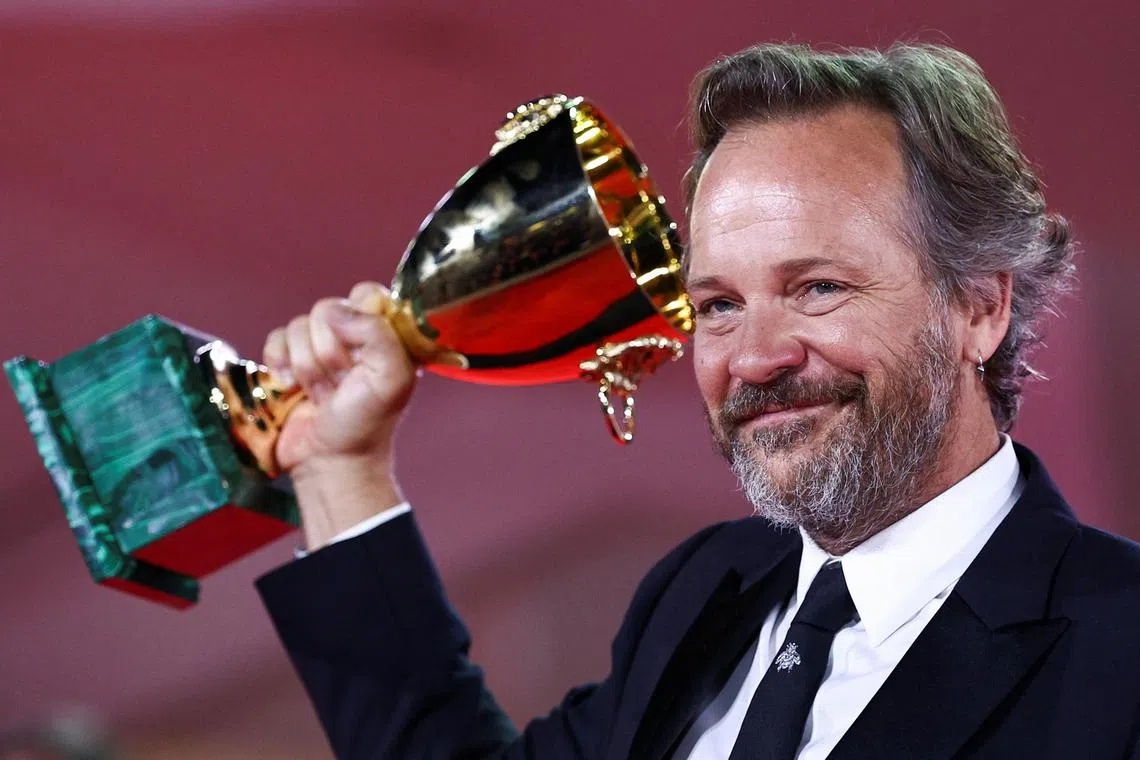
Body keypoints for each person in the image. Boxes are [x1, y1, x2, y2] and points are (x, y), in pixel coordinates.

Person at [255, 43, 1140, 759]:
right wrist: (341, 468)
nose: (755, 358)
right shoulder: (704, 593)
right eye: (718, 305)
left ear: (980, 306)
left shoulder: (1121, 650)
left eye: (819, 288)